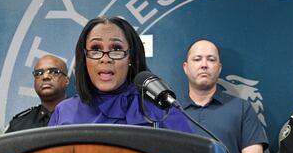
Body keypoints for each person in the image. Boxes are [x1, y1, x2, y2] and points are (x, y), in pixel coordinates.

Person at [48, 16, 193, 132]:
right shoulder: (64, 111)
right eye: (95, 49)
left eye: (116, 49)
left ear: (130, 57)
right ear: (84, 58)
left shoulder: (160, 109)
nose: (105, 59)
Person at [6, 54, 69, 132]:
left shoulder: (84, 114)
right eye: (38, 73)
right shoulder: (18, 126)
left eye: (54, 72)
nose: (45, 77)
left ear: (67, 80)